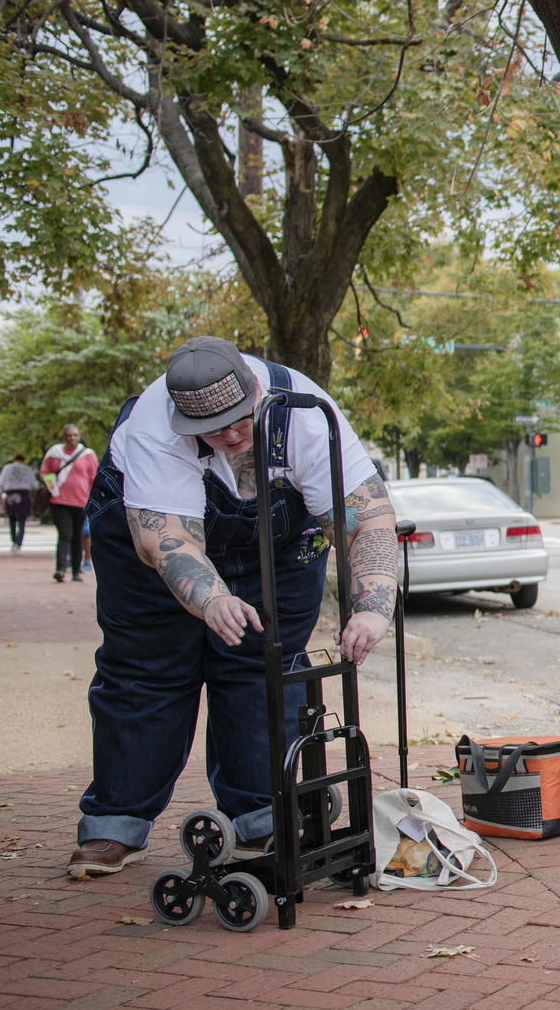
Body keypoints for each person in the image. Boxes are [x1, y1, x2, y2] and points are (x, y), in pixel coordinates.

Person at [67, 337, 399, 878]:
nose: (229, 436)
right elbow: (166, 544)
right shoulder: (154, 428)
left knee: (263, 666)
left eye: (239, 420)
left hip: (279, 540)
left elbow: (367, 519)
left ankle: (260, 815)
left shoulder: (306, 416)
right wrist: (214, 598)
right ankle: (117, 822)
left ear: (256, 391)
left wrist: (372, 608)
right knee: (147, 668)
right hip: (152, 538)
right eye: (212, 428)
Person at [41, 423, 98, 582]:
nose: (72, 438)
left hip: (81, 501)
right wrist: (53, 486)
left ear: (78, 437)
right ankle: (60, 569)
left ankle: (76, 571)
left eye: (75, 435)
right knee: (65, 534)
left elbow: (93, 478)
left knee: (77, 536)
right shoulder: (54, 453)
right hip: (58, 500)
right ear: (63, 437)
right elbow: (45, 472)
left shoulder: (88, 455)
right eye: (68, 435)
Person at [0, 454, 37, 552]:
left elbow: (1, 483)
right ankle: (19, 543)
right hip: (24, 493)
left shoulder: (7, 468)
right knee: (22, 520)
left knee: (11, 519)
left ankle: (13, 541)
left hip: (11, 493)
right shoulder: (27, 469)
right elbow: (33, 484)